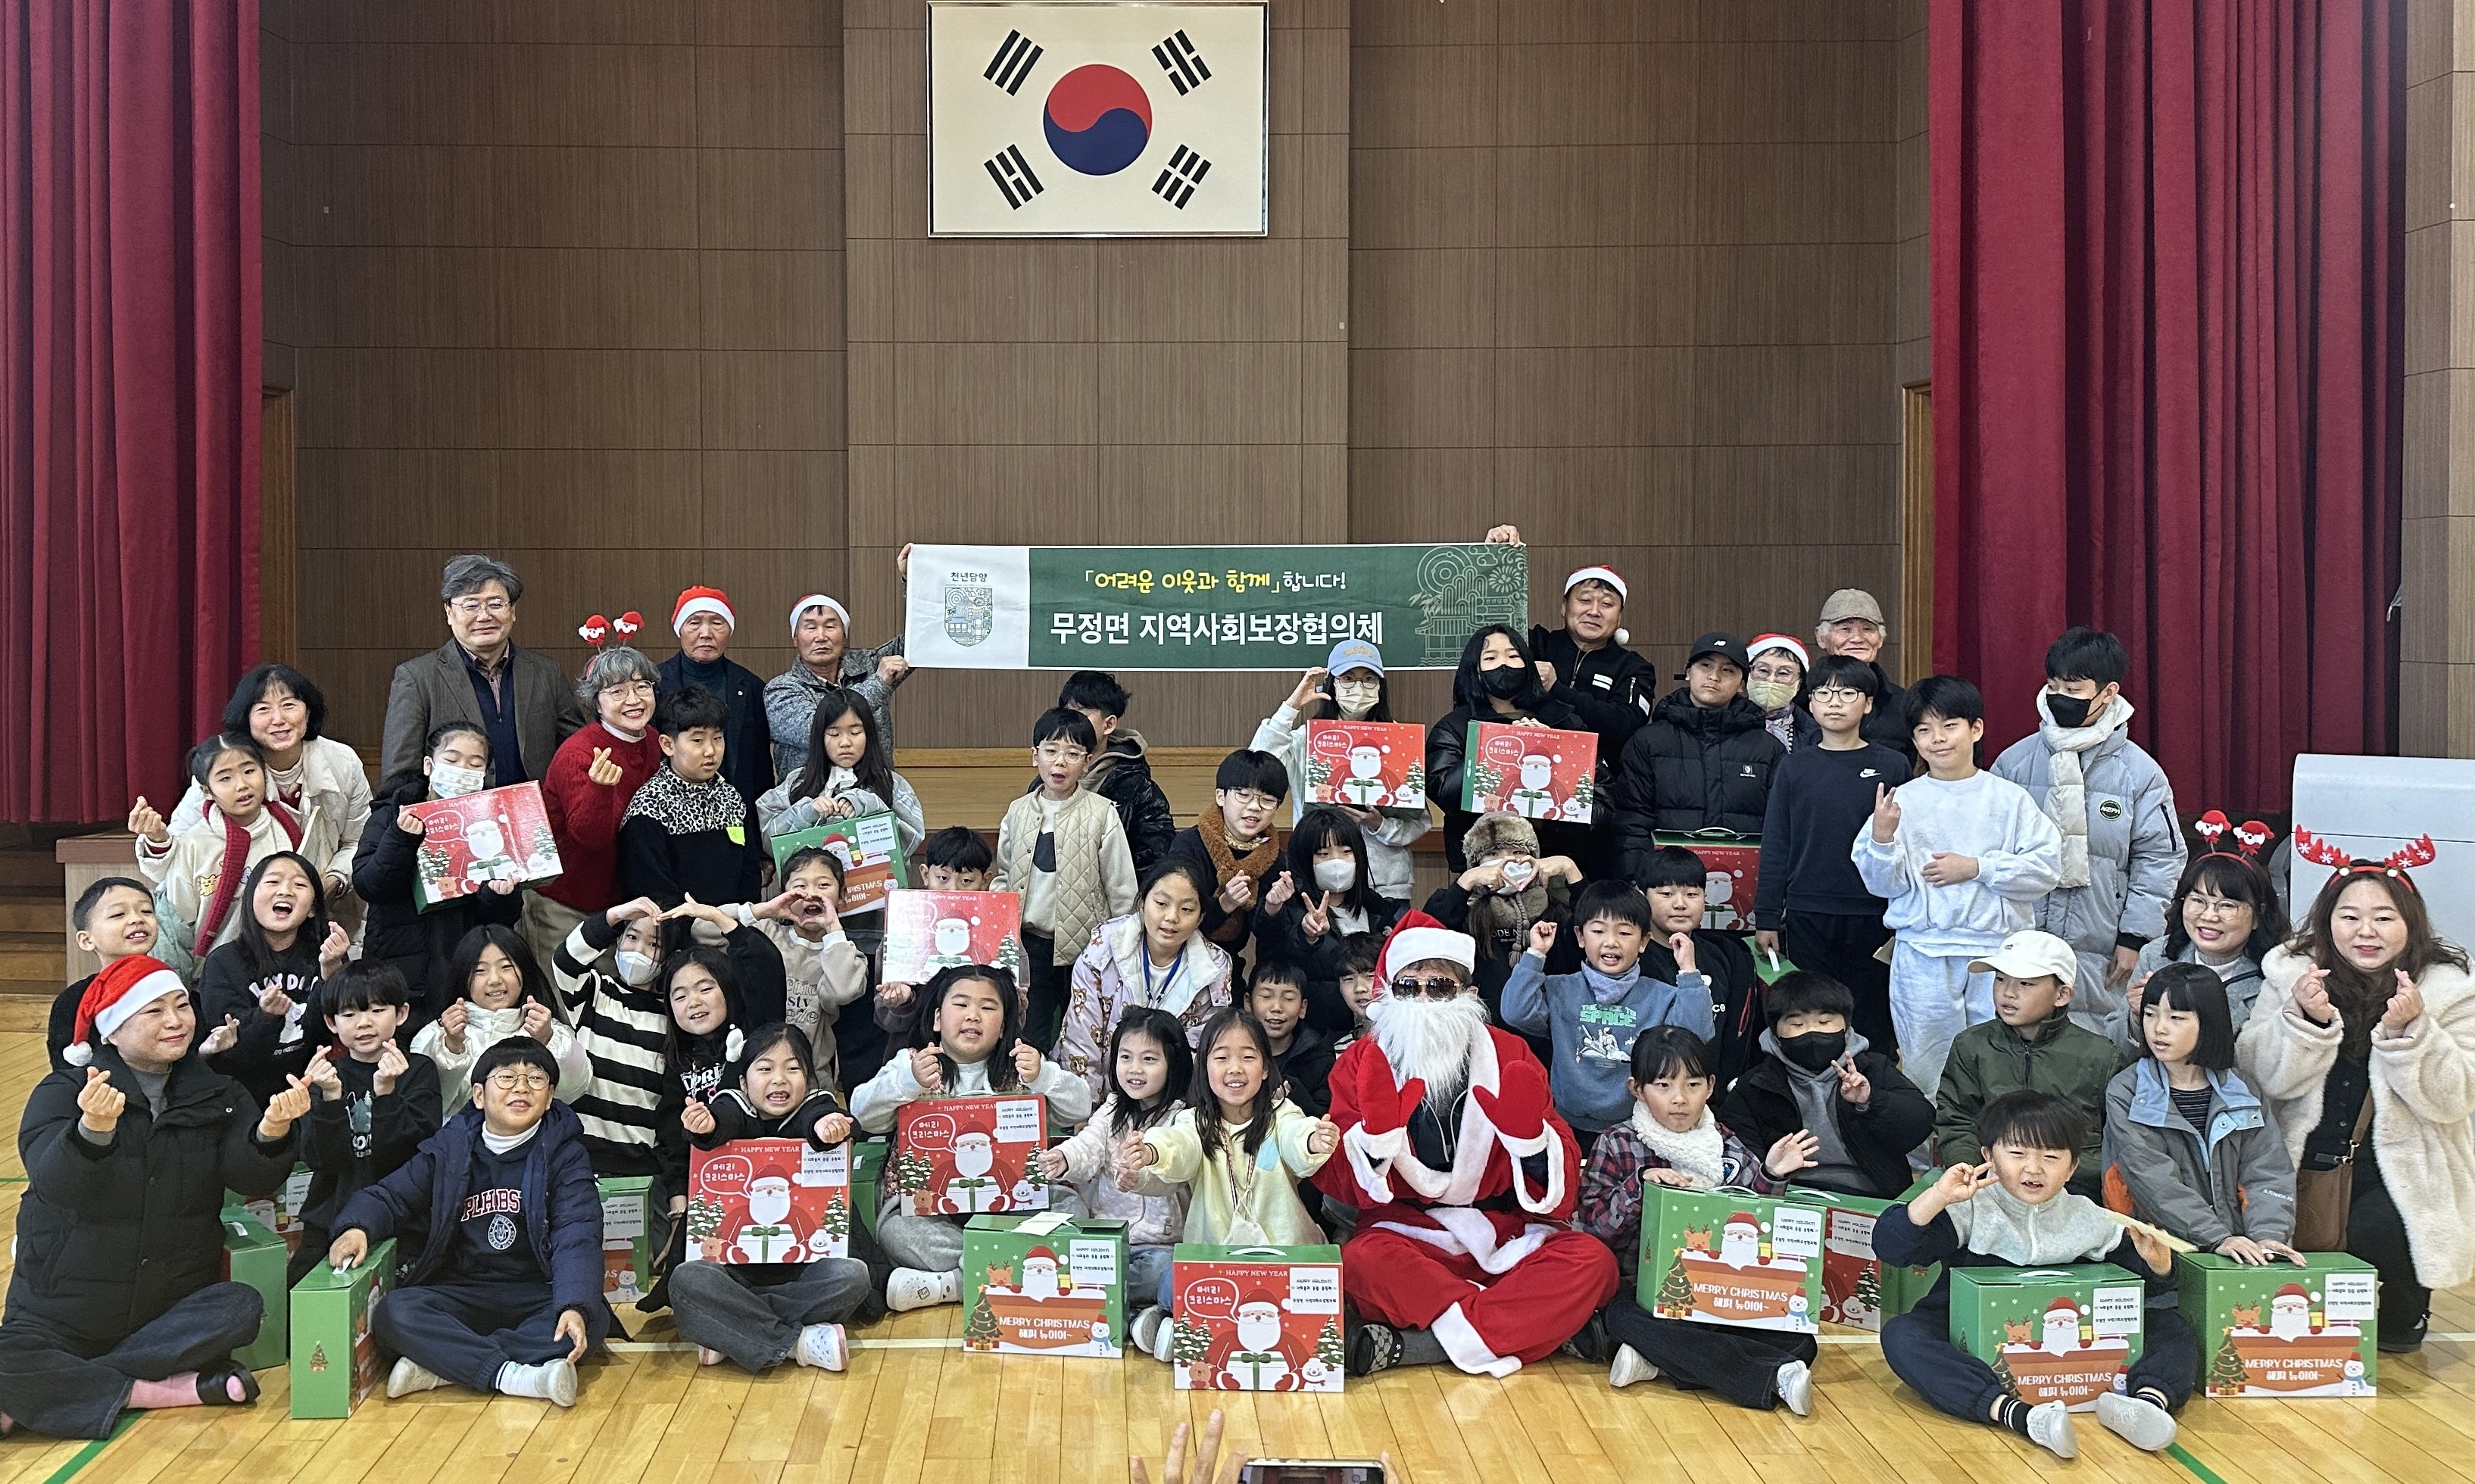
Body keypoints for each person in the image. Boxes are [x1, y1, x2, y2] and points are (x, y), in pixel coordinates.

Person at [0, 956, 308, 1438]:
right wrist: (91, 1132)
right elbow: (54, 1183)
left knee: (242, 1306)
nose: (175, 1021)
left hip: (167, 1310)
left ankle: (57, 1388)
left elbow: (248, 1177)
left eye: (182, 1005)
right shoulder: (65, 1091)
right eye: (154, 1011)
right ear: (113, 1029)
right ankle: (160, 1391)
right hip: (62, 1308)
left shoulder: (219, 1092)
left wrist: (271, 1131)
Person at [1313, 912, 1618, 1377]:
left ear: (1468, 995)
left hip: (1503, 1232)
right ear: (1389, 994)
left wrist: (1531, 1146)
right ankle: (1528, 1327)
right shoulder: (1363, 1061)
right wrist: (1373, 1146)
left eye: (1438, 987)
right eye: (1407, 987)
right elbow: (1333, 1172)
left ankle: (1420, 1345)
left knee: (1594, 1263)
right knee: (1359, 1264)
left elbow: (1561, 1166)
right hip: (1406, 1234)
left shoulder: (1510, 1054)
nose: (1423, 1000)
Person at [2238, 851, 2475, 1352]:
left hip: (2403, 1165)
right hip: (2300, 1159)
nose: (2366, 932)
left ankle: (2404, 1311)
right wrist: (2303, 1020)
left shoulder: (2448, 987)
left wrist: (2414, 1031)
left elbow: (2457, 1097)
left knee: (2390, 1306)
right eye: (2350, 917)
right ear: (2329, 921)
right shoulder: (2291, 974)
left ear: (2410, 924)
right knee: (2297, 1317)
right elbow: (2259, 1074)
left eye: (2384, 918)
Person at [1875, 1091, 2196, 1458]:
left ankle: (2144, 1404)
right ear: (1988, 1157)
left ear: (2072, 1167)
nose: (2033, 1169)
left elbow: (2139, 1296)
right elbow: (1893, 1249)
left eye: (2051, 1157)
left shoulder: (2092, 1218)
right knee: (1902, 1335)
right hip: (1967, 1337)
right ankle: (2018, 1415)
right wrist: (1937, 1197)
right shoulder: (1970, 1209)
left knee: (2172, 1327)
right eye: (2017, 1154)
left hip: (2077, 1347)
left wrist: (2159, 1265)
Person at [330, 1037, 610, 1408]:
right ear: (479, 1095)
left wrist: (573, 1304)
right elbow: (391, 1195)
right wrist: (356, 1227)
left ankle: (445, 1368)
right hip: (463, 1290)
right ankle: (515, 1375)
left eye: (536, 1079)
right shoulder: (451, 1147)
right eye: (507, 1078)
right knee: (394, 1313)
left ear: (550, 1096)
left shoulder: (566, 1153)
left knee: (588, 1320)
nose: (522, 1087)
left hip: (537, 1291)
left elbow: (578, 1234)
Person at [1575, 1027, 1820, 1411]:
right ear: (1637, 1089)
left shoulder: (1722, 1141)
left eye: (1692, 1084)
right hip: (1640, 1293)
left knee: (1802, 1340)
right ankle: (1773, 1377)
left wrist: (1771, 1174)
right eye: (1663, 1085)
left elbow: (1751, 1212)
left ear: (1710, 1087)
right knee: (1622, 1318)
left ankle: (1654, 1362)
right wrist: (1640, 1187)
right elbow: (1592, 1229)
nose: (1679, 1099)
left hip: (1716, 1293)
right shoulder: (1617, 1142)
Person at [1850, 675, 2063, 1099]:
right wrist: (1883, 837)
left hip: (1996, 954)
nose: (1938, 740)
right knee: (1926, 1063)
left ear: (1976, 729)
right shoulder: (1901, 801)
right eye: (1924, 730)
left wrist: (1978, 867)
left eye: (1949, 726)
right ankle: (1926, 1160)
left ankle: (1995, 1155)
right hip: (1923, 953)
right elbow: (1880, 884)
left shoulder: (2010, 799)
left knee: (1998, 1063)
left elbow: (2046, 870)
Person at [850, 966, 1094, 1312]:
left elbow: (1079, 1107)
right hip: (930, 1210)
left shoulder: (1022, 1068)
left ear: (1005, 1024)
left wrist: (1045, 1076)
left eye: (989, 1008)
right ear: (937, 1019)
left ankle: (953, 1283)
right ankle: (1010, 1269)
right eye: (961, 1005)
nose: (973, 1016)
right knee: (896, 1231)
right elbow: (863, 1114)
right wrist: (907, 1082)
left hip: (1016, 1205)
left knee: (1072, 1208)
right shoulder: (913, 1064)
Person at [1991, 628, 2186, 1034]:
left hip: (2103, 939)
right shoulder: (2014, 762)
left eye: (2074, 688)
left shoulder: (2140, 773)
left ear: (2109, 692)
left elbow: (2161, 859)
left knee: (2094, 1041)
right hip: (2023, 929)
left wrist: (2135, 937)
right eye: (2052, 685)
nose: (2060, 696)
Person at [1121, 1007, 1339, 1361]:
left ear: (1265, 1068)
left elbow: (1298, 1137)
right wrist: (1150, 1151)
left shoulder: (1282, 1114)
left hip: (1281, 1257)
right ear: (1205, 1069)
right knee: (1171, 1280)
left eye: (1248, 1057)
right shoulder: (1194, 1121)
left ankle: (1176, 1326)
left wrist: (1314, 1140)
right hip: (1216, 1262)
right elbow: (1178, 1145)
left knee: (1324, 1295)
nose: (1235, 1069)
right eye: (1221, 1057)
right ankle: (1174, 1322)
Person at [668, 1024, 868, 1373]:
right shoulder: (732, 1104)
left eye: (793, 1069)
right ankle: (799, 1344)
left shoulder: (817, 1103)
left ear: (808, 1077)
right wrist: (706, 1126)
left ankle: (729, 1329)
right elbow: (723, 1121)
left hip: (803, 1275)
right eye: (765, 1068)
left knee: (853, 1277)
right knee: (688, 1281)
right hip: (733, 1276)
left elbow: (817, 1117)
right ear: (744, 1081)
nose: (779, 1079)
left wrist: (827, 1128)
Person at [1752, 652, 1908, 1057]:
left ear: (1869, 703)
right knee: (1814, 1014)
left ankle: (1870, 1097)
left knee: (1872, 1015)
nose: (1835, 702)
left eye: (1848, 693)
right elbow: (1776, 843)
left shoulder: (1892, 764)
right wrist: (1767, 916)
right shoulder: (1793, 766)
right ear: (1809, 702)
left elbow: (1907, 844)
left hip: (1875, 914)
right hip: (1808, 912)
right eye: (1824, 693)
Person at [2104, 962, 2298, 1261]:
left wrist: (2267, 1237)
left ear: (2209, 1022)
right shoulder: (2127, 1091)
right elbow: (2154, 1181)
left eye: (2177, 1018)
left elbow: (2267, 1173)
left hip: (2235, 1249)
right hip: (2155, 1252)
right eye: (2151, 1014)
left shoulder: (2242, 1090)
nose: (2159, 1028)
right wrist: (2216, 1237)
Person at [1500, 881, 1715, 1137]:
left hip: (1635, 1127)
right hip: (1565, 1123)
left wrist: (1689, 971)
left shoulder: (1662, 995)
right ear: (1581, 936)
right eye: (1599, 931)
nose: (1611, 942)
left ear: (1644, 941)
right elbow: (1515, 1012)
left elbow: (1696, 1034)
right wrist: (1535, 954)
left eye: (1624, 933)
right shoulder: (1560, 989)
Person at [355, 722, 526, 1037]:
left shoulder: (490, 822)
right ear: (429, 764)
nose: (463, 769)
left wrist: (499, 895)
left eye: (475, 764)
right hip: (400, 969)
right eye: (452, 759)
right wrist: (401, 838)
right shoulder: (392, 812)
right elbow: (370, 884)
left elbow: (502, 919)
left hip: (464, 966)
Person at [1040, 1009, 1193, 1350]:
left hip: (1162, 1246)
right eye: (1126, 1057)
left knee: (1166, 1272)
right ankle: (1127, 1313)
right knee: (1081, 1257)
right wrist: (1065, 1157)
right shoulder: (1112, 1110)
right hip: (1109, 1239)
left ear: (1174, 1063)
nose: (1135, 1069)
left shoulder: (1184, 1117)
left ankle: (1119, 1310)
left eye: (1150, 1059)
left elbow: (1178, 1167)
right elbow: (1089, 1144)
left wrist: (1143, 1174)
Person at [647, 914, 791, 1271]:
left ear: (728, 989)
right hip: (707, 1194)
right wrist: (680, 1210)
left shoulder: (756, 1034)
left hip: (769, 1177)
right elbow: (672, 1142)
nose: (693, 1001)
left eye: (705, 988)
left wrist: (719, 920)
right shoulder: (678, 1063)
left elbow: (766, 965)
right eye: (679, 996)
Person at [992, 708, 1138, 1049]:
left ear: (1087, 763)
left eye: (1073, 754)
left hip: (1086, 949)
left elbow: (1122, 888)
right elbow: (1003, 875)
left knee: (1087, 1037)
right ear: (1035, 756)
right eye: (1051, 751)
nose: (1060, 762)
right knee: (1030, 1037)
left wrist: (1121, 947)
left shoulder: (1102, 813)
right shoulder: (1017, 811)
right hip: (1029, 947)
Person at [166, 662, 370, 907]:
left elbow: (360, 840)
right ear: (246, 719)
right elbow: (177, 844)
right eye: (263, 709)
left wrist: (333, 880)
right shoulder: (226, 768)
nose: (278, 720)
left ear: (307, 713)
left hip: (329, 908)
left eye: (289, 705)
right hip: (244, 910)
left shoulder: (343, 762)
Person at [1930, 929, 2115, 1196]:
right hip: (1992, 1184)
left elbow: (2112, 1138)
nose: (2008, 993)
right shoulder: (1972, 1045)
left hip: (2074, 1189)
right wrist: (1971, 1169)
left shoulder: (2099, 1054)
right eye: (2001, 979)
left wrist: (2062, 1176)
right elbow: (1957, 1119)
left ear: (2061, 995)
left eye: (2025, 984)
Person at [1719, 970, 1931, 1199]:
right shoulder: (1755, 1085)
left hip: (1870, 1193)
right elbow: (1740, 1155)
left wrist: (1870, 1102)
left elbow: (1920, 1125)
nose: (1812, 1032)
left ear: (1846, 1027)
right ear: (1776, 1033)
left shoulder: (1873, 1068)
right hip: (1788, 1194)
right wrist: (1772, 1172)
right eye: (1797, 1024)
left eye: (1825, 1021)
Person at [294, 961, 444, 1283]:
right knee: (303, 1301)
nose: (364, 1023)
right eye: (349, 1015)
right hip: (328, 1218)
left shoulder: (418, 1070)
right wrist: (331, 1099)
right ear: (331, 1023)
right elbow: (319, 1159)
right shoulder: (327, 1076)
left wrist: (387, 1094)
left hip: (402, 1225)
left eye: (377, 1010)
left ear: (401, 1014)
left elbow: (412, 1161)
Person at [381, 553, 587, 787]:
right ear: (450, 612)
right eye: (471, 606)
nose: (484, 616)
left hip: (534, 815)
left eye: (496, 604)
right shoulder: (417, 678)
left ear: (513, 611)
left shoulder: (547, 673)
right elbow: (400, 771)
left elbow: (575, 750)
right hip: (457, 817)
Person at [1250, 640, 1434, 899]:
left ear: (1380, 686)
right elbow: (1258, 764)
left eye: (1369, 679)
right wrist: (1290, 708)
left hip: (1386, 884)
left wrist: (1379, 824)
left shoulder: (1400, 741)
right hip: (1319, 879)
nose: (1358, 687)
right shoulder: (1308, 739)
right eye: (1347, 678)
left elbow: (1420, 820)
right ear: (1332, 684)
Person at [134, 733, 340, 959]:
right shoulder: (194, 843)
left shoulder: (290, 828)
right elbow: (178, 923)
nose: (242, 785)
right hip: (208, 970)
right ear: (206, 791)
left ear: (265, 773)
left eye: (249, 771)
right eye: (225, 778)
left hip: (277, 964)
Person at [530, 644, 665, 968]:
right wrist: (599, 791)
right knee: (572, 1007)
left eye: (642, 687)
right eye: (618, 691)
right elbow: (590, 839)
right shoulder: (578, 752)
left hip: (628, 908)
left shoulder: (655, 741)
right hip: (567, 905)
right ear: (597, 704)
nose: (633, 700)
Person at [1055, 859, 1234, 1101]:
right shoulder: (1103, 951)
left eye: (1187, 909)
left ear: (1201, 918)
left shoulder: (1214, 968)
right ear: (1142, 904)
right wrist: (1087, 1111)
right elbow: (1081, 1038)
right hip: (1101, 1098)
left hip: (1171, 1106)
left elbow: (1199, 1053)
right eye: (1161, 903)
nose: (1172, 918)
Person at [1609, 631, 1783, 877]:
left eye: (1728, 670)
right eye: (1705, 665)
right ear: (1689, 672)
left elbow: (1781, 827)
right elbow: (1631, 823)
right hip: (1666, 887)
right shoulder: (1648, 741)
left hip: (1746, 884)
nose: (1714, 676)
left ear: (1743, 683)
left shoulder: (1768, 749)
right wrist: (1637, 880)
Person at [1479, 532, 1658, 765]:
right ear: (1564, 606)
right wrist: (1494, 557)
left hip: (1597, 783)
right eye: (1584, 601)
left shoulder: (1634, 668)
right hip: (1514, 764)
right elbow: (1484, 634)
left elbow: (1625, 726)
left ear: (1619, 616)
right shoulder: (1533, 643)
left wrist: (1557, 688)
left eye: (1607, 604)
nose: (1594, 611)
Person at [2103, 825, 2280, 1058]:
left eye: (2227, 905)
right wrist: (2136, 1018)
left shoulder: (2273, 974)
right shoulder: (2157, 956)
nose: (2208, 916)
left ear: (2259, 914)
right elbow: (2116, 1050)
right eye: (2198, 900)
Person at [1426, 625, 1590, 872]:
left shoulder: (1565, 721)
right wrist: (1497, 749)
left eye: (1514, 656)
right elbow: (1441, 791)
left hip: (1553, 862)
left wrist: (1554, 749)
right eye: (1490, 658)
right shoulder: (1456, 726)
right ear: (1475, 670)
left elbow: (1600, 802)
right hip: (1480, 867)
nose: (1504, 665)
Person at [197, 852, 351, 1108]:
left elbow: (333, 1030)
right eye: (272, 882)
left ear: (313, 908)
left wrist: (331, 970)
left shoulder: (326, 955)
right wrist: (266, 1017)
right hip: (240, 1094)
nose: (286, 891)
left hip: (311, 1085)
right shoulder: (223, 963)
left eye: (299, 885)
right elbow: (230, 1050)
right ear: (251, 898)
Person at [1247, 807, 1407, 1037]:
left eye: (1345, 851)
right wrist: (1306, 935)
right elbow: (1274, 960)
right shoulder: (1292, 908)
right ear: (1304, 859)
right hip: (1317, 1040)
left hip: (1381, 1035)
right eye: (1323, 854)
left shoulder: (1378, 909)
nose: (1336, 862)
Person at [1420, 811, 1583, 1031]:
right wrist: (1466, 881)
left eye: (1517, 852)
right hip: (1481, 1031)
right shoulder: (1463, 910)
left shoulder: (1555, 910)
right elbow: (1426, 935)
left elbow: (1592, 929)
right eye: (1494, 853)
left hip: (1545, 1031)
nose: (1506, 862)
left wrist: (1570, 869)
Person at [550, 898, 675, 1177]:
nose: (638, 950)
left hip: (641, 1165)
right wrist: (614, 916)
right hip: (581, 1160)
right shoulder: (594, 990)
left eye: (654, 944)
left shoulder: (674, 1015)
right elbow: (565, 960)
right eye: (631, 936)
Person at [727, 849, 870, 1091]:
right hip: (753, 1074)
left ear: (842, 895)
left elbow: (842, 992)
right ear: (785, 895)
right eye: (800, 886)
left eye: (823, 885)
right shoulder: (765, 933)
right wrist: (763, 911)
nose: (812, 894)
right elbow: (703, 928)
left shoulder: (845, 953)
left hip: (812, 1079)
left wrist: (834, 929)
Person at [411, 925, 592, 1109]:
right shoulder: (435, 1035)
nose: (495, 980)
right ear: (462, 976)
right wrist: (451, 1047)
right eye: (480, 971)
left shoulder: (549, 1029)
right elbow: (428, 1106)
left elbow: (575, 1089)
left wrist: (548, 1040)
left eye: (506, 967)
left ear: (524, 971)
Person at [620, 683, 766, 909]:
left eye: (717, 738)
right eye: (698, 740)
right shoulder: (649, 807)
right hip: (678, 934)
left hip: (736, 929)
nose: (711, 751)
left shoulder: (731, 797)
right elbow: (653, 892)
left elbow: (750, 873)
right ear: (668, 745)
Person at [1633, 844, 1765, 1088]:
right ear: (1642, 897)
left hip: (1715, 1098)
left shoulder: (1729, 955)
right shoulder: (1629, 957)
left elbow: (1738, 1035)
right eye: (1666, 894)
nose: (1681, 904)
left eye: (1692, 894)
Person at [756, 682, 925, 856]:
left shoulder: (891, 782)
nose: (845, 743)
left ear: (869, 735)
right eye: (834, 734)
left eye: (855, 732)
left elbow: (912, 839)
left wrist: (872, 806)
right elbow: (768, 840)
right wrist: (805, 812)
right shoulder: (798, 781)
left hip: (874, 881)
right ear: (819, 737)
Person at [1166, 750, 1291, 970]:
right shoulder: (1188, 845)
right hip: (1176, 958)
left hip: (1230, 964)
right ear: (1220, 797)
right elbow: (1172, 916)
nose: (1254, 807)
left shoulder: (1275, 859)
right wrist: (1225, 904)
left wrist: (1272, 908)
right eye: (1243, 795)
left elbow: (1271, 942)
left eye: (1268, 800)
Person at [767, 585, 910, 775]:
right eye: (811, 627)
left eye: (830, 626)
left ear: (844, 635)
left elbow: (918, 640)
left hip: (873, 791)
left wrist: (910, 580)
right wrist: (878, 684)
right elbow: (815, 728)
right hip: (810, 799)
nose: (821, 636)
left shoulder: (868, 665)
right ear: (795, 638)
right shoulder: (780, 689)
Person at [656, 585, 776, 811]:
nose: (706, 633)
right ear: (679, 629)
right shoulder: (655, 685)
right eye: (694, 622)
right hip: (670, 810)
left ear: (729, 630)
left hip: (737, 808)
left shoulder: (751, 687)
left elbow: (760, 765)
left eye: (716, 622)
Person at [1057, 670, 1177, 875]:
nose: (1073, 723)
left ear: (1109, 724)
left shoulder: (1139, 789)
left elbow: (1155, 864)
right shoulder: (1048, 778)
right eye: (1069, 714)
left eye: (1083, 714)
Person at [48, 878, 161, 1072]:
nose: (137, 919)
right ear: (86, 940)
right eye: (118, 914)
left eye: (146, 911)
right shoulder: (73, 1001)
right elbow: (65, 1071)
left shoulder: (170, 986)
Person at [1812, 588, 1911, 761]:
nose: (1857, 638)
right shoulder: (1801, 699)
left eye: (1867, 629)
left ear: (1880, 639)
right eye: (1845, 629)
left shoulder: (1902, 703)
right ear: (1821, 639)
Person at [1247, 960, 1335, 1118]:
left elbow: (1325, 1118)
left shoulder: (1320, 1059)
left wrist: (1294, 1097)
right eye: (1266, 996)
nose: (1277, 1007)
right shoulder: (1229, 1052)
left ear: (1303, 1008)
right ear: (1248, 1003)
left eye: (1288, 998)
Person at [1744, 634, 1818, 753]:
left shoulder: (1815, 734)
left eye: (1783, 673)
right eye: (1763, 670)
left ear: (1799, 683)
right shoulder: (1725, 723)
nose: (1771, 680)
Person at [918, 825, 993, 892]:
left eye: (966, 880)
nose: (953, 889)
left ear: (984, 881)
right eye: (943, 878)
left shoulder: (992, 908)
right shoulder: (914, 906)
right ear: (926, 875)